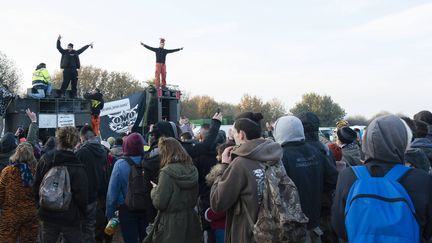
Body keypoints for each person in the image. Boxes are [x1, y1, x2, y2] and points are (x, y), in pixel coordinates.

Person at [331, 115, 432, 242]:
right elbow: (427, 231)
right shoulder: (421, 179)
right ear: (404, 141)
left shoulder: (348, 176)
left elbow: (339, 227)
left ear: (366, 141)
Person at [210, 113, 284, 243]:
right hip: (275, 231)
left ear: (242, 134)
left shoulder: (240, 163)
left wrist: (223, 166)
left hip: (248, 235)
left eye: (234, 133)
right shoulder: (276, 157)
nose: (232, 136)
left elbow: (217, 203)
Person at [273, 115, 338, 243]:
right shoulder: (318, 152)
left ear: (279, 131)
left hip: (292, 229)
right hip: (314, 224)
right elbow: (333, 180)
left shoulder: (280, 157)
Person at [33, 126, 89, 243]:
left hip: (47, 214)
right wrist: (82, 215)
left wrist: (39, 206)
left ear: (59, 139)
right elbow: (82, 195)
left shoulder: (45, 159)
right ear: (75, 141)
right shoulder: (78, 164)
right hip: (70, 216)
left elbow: (36, 185)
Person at [144, 137, 202, 243]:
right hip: (191, 220)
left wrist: (154, 190)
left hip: (171, 224)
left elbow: (160, 203)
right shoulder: (192, 169)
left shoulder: (167, 172)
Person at [106, 133, 148, 243]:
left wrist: (110, 214)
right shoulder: (148, 161)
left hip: (126, 209)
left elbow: (112, 193)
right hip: (146, 207)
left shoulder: (120, 164)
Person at [0, 142, 38, 242]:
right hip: (30, 213)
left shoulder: (7, 171)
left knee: (7, 239)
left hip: (11, 213)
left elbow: (1, 193)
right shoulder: (35, 171)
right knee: (28, 240)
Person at [76, 125, 108, 243]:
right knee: (95, 230)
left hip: (85, 198)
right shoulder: (104, 150)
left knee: (84, 231)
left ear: (82, 138)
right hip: (101, 197)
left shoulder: (81, 153)